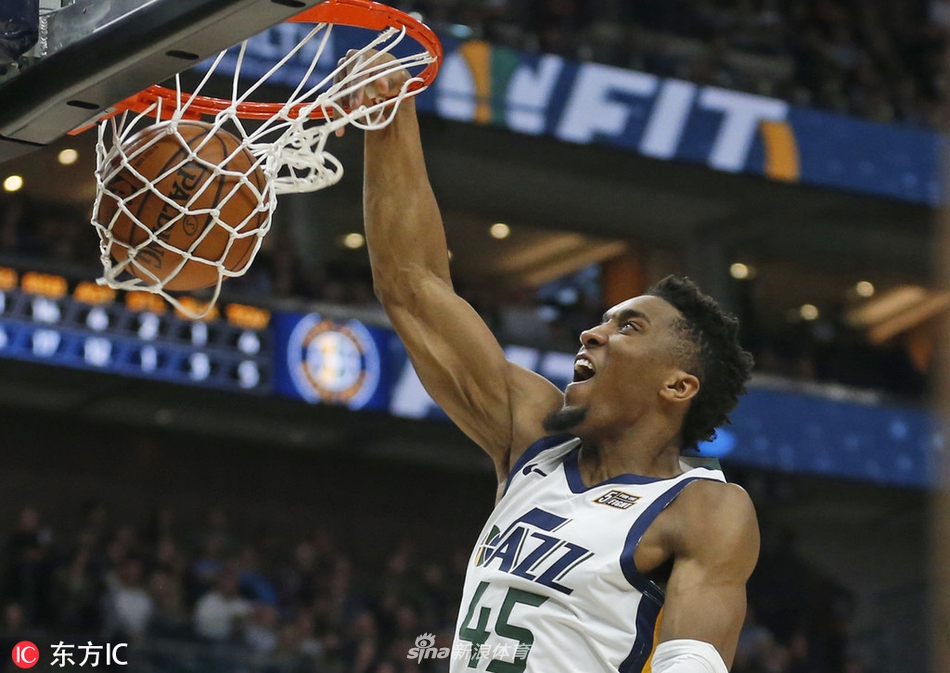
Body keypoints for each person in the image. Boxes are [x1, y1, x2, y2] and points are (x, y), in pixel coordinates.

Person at [342, 49, 759, 673]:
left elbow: (691, 662)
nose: (592, 333)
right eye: (603, 319)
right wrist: (390, 121)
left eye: (628, 327)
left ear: (677, 385)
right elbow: (412, 285)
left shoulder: (702, 508)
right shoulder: (533, 436)